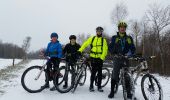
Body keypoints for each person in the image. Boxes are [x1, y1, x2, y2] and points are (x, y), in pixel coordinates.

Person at [108, 21, 136, 99]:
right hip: (117, 58)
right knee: (115, 75)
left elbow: (133, 48)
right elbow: (110, 48)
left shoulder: (129, 38)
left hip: (126, 58)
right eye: (121, 28)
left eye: (124, 28)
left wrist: (131, 53)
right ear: (119, 29)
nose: (122, 29)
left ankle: (128, 92)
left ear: (125, 29)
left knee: (127, 76)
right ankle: (112, 91)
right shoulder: (114, 37)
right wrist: (114, 49)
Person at [78, 26, 108, 92]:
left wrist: (102, 58)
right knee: (93, 72)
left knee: (99, 73)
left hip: (100, 58)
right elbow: (85, 43)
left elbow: (105, 50)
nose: (99, 32)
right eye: (98, 31)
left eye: (100, 31)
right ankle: (91, 86)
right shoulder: (93, 38)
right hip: (93, 57)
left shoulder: (103, 40)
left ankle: (99, 86)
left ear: (101, 32)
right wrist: (80, 50)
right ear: (96, 32)